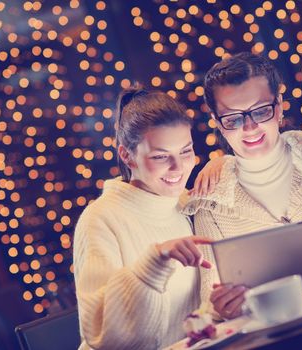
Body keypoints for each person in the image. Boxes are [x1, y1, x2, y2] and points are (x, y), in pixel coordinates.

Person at [183, 52, 302, 320]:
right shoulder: (209, 200)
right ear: (218, 123)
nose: (250, 128)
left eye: (261, 111)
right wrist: (225, 306)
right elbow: (210, 294)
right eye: (233, 119)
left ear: (278, 107)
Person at [73, 88, 213, 349]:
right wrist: (154, 263)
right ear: (126, 155)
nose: (179, 167)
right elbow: (102, 332)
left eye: (186, 151)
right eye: (161, 156)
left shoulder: (187, 204)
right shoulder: (100, 219)